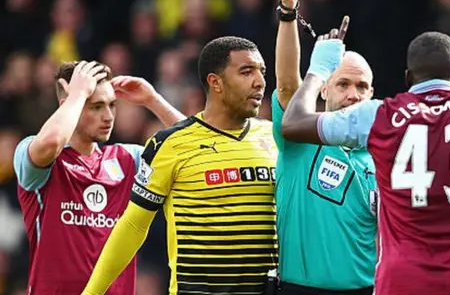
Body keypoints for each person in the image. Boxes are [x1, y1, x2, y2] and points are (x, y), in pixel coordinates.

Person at [280, 25, 450, 294]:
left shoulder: (376, 115)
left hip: (402, 277)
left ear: (408, 78)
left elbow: (293, 123)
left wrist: (318, 69)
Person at [82, 36, 278, 295]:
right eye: (246, 72)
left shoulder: (274, 138)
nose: (260, 82)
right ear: (215, 82)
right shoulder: (169, 145)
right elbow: (132, 226)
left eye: (262, 72)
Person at [13, 60, 185, 295]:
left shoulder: (128, 159)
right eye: (96, 106)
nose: (108, 116)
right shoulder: (39, 158)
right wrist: (78, 95)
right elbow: (52, 141)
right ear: (68, 105)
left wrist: (152, 100)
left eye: (112, 105)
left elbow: (197, 151)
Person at [272, 0, 377, 295]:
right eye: (343, 83)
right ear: (323, 89)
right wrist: (289, 12)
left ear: (372, 94)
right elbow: (288, 86)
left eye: (362, 87)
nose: (352, 95)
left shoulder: (385, 150)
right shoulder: (301, 137)